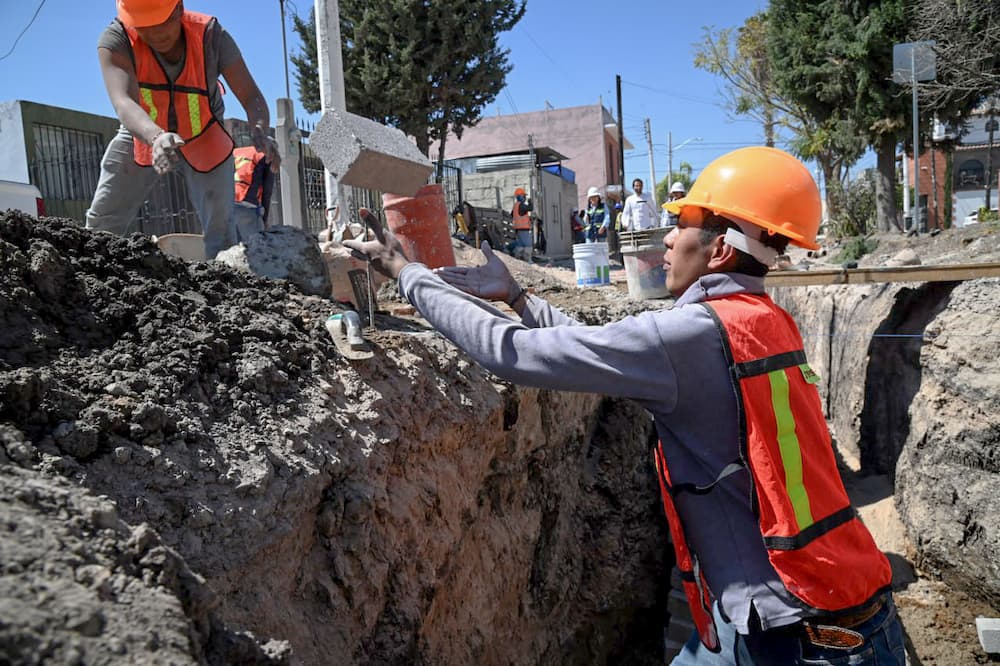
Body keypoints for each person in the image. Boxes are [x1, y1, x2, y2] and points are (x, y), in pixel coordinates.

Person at [344, 146, 904, 665]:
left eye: (683, 223)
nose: (665, 237)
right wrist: (518, 297)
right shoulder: (763, 321)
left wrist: (406, 272)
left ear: (722, 248)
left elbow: (510, 353)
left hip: (798, 637)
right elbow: (606, 350)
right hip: (825, 606)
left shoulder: (692, 336)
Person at [86, 0, 281, 259]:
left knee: (222, 235)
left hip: (205, 135)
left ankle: (225, 288)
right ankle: (91, 276)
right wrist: (156, 137)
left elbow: (251, 95)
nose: (155, 34)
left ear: (178, 8)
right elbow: (123, 102)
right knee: (102, 225)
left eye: (162, 23)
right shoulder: (117, 39)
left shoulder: (211, 36)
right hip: (143, 136)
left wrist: (259, 129)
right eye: (144, 26)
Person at [232, 145, 274, 242]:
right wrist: (265, 219)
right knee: (257, 247)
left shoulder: (235, 152)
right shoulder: (266, 154)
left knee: (232, 248)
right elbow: (267, 192)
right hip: (246, 204)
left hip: (227, 203)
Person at [511, 186, 533, 261]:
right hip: (524, 228)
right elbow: (530, 208)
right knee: (527, 245)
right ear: (520, 196)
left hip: (517, 228)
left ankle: (519, 259)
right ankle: (528, 259)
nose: (524, 197)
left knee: (520, 245)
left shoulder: (515, 206)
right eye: (524, 196)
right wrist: (530, 202)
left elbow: (512, 215)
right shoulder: (521, 205)